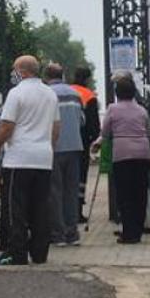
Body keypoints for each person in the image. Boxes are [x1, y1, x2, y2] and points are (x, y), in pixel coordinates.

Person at [0, 56, 60, 266]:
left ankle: (16, 252)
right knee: (40, 207)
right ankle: (39, 253)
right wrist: (49, 148)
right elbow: (56, 128)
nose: (12, 73)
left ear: (22, 71)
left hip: (18, 158)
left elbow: (6, 126)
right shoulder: (49, 93)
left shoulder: (16, 93)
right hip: (43, 158)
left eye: (14, 69)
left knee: (15, 208)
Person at [92, 76, 150, 244]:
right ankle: (138, 230)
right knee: (140, 193)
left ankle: (128, 232)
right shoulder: (141, 110)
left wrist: (98, 144)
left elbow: (106, 133)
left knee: (125, 194)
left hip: (122, 155)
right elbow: (148, 132)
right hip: (142, 154)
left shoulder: (112, 109)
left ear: (117, 93)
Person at [45, 63, 85, 247]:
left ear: (46, 76)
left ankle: (58, 234)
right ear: (63, 75)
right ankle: (72, 233)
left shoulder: (46, 94)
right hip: (74, 146)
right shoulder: (75, 94)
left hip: (54, 147)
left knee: (55, 192)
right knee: (71, 192)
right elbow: (82, 120)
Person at [70, 67, 101, 223]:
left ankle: (65, 211)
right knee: (80, 176)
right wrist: (95, 140)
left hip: (62, 141)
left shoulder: (67, 92)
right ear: (87, 79)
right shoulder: (89, 96)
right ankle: (77, 210)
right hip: (81, 141)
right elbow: (93, 123)